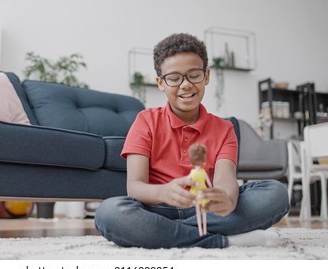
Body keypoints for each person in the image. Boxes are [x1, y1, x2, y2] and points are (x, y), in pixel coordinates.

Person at [94, 33, 289, 249]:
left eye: (194, 75)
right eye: (174, 78)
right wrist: (163, 192)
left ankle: (164, 234)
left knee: (276, 193)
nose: (185, 85)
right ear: (161, 83)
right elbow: (135, 186)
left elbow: (225, 179)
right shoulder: (145, 121)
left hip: (208, 210)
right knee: (108, 212)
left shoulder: (225, 129)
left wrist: (227, 200)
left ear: (206, 76)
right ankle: (223, 240)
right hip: (156, 208)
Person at [187, 143, 211, 237]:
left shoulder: (196, 172)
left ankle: (201, 231)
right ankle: (203, 232)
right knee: (201, 212)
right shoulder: (197, 172)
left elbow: (187, 180)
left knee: (201, 212)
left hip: (201, 193)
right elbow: (209, 183)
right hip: (198, 193)